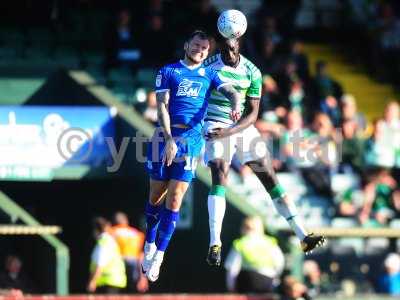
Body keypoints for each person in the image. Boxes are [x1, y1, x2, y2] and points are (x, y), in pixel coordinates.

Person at [203, 37, 325, 266]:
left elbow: (253, 113)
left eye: (233, 48)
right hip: (214, 123)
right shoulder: (208, 66)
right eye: (225, 49)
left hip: (242, 128)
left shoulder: (252, 71)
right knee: (220, 172)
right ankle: (215, 243)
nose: (229, 53)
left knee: (269, 175)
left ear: (239, 45)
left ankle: (302, 235)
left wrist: (231, 131)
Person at [142, 30, 242, 282]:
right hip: (164, 137)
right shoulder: (168, 71)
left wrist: (236, 103)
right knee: (156, 196)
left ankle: (159, 256)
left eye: (205, 48)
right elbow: (162, 106)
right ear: (187, 45)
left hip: (192, 141)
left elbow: (231, 91)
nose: (200, 50)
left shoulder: (209, 74)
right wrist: (168, 139)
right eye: (196, 45)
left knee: (175, 200)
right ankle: (150, 242)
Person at [224, 216, 284, 293]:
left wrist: (231, 288)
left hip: (248, 282)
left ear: (243, 228)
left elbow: (232, 269)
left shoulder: (240, 243)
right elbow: (279, 263)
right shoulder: (270, 242)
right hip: (268, 282)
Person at [111, 212, 148, 293]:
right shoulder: (137, 234)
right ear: (126, 221)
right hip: (134, 264)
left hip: (118, 264)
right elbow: (141, 257)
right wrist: (143, 278)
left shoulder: (111, 232)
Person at [87, 217, 126, 294]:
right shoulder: (110, 240)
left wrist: (92, 282)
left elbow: (100, 264)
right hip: (115, 281)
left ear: (96, 231)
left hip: (108, 283)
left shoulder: (103, 243)